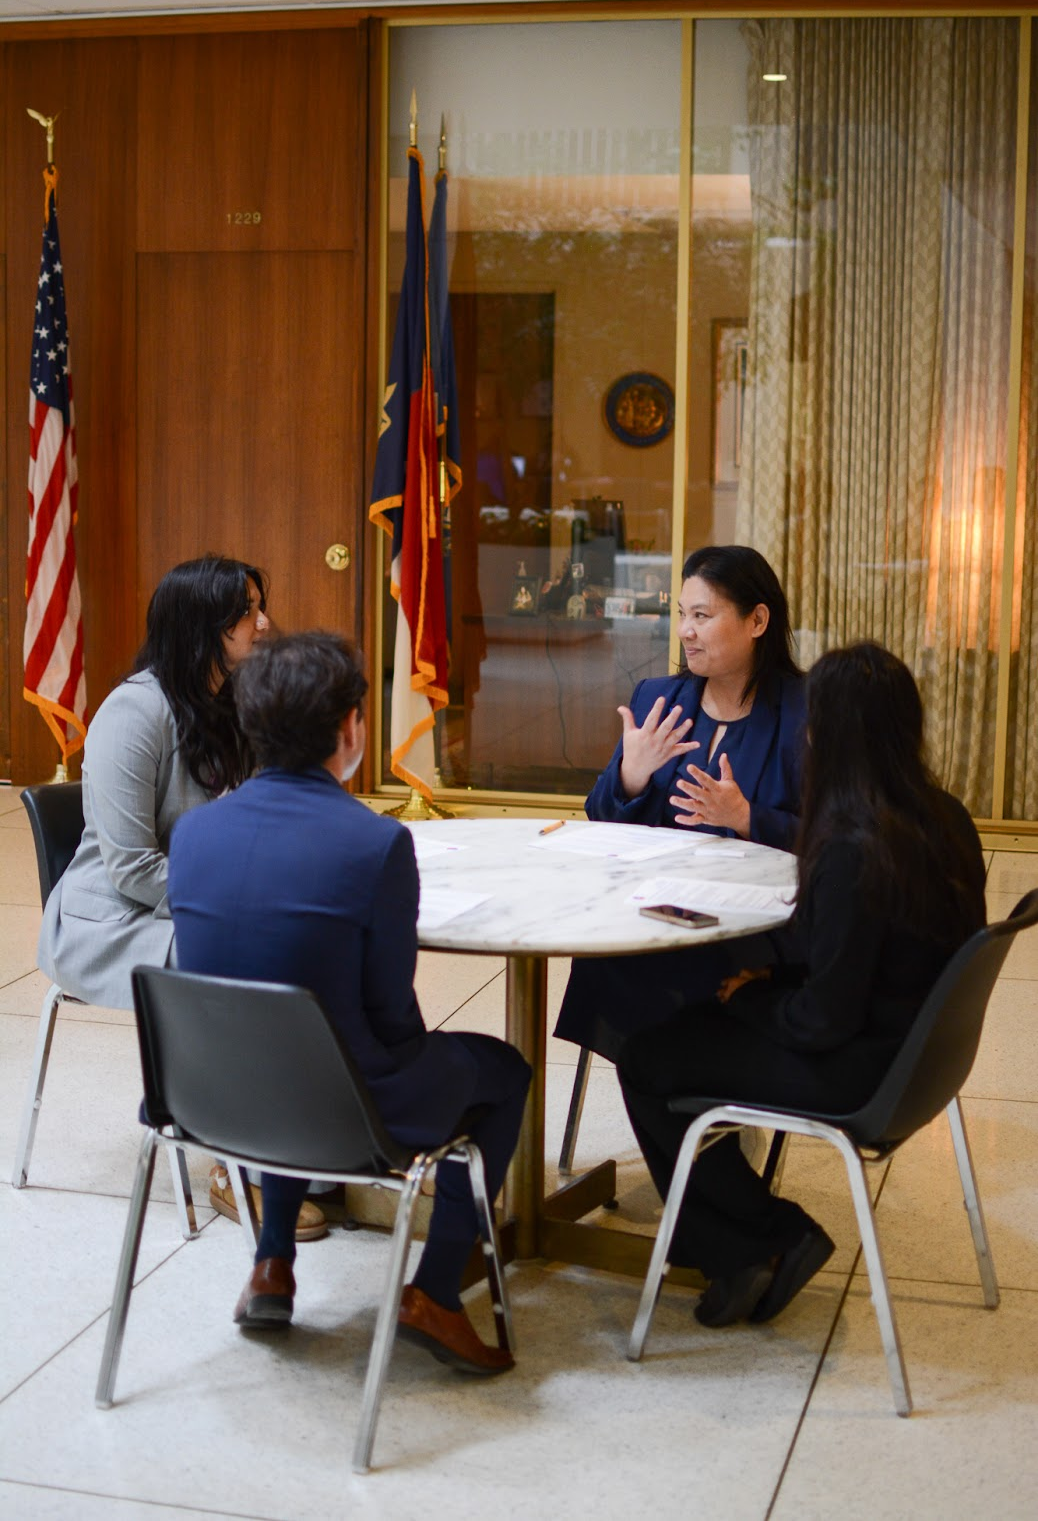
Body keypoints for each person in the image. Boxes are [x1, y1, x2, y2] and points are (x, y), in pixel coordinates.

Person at [167, 631, 532, 1375]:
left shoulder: (195, 832)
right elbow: (392, 1016)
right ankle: (434, 1291)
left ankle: (272, 1265)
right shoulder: (374, 845)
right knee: (504, 1072)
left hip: (210, 1102)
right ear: (350, 729)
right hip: (342, 1111)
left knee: (289, 1049)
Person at [618, 642, 987, 1327]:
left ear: (825, 734)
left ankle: (764, 1240)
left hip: (862, 1070)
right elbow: (873, 955)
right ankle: (745, 1235)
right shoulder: (946, 817)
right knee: (693, 1031)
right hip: (923, 1058)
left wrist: (753, 996)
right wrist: (774, 979)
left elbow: (822, 1021)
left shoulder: (853, 845)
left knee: (648, 1057)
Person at [35, 555, 325, 1243]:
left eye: (260, 605)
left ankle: (307, 1145)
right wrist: (236, 902)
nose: (266, 623)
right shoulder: (133, 714)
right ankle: (234, 1161)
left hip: (198, 900)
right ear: (203, 628)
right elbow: (132, 868)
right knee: (243, 960)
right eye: (248, 612)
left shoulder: (235, 705)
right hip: (109, 919)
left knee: (316, 942)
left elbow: (264, 814)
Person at [555, 544, 806, 1062]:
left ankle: (687, 1091)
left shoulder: (806, 711)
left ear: (757, 620)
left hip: (754, 923)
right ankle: (664, 1086)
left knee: (684, 977)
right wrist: (631, 774)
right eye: (681, 615)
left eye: (702, 616)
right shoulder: (658, 698)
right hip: (661, 906)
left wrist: (746, 818)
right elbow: (599, 816)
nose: (685, 631)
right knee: (607, 951)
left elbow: (838, 838)